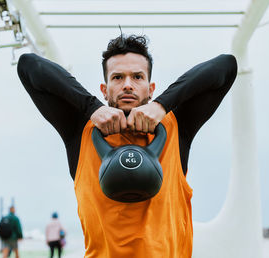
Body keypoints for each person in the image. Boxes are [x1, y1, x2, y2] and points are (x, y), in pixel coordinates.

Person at [17, 34, 237, 257]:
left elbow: (226, 66)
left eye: (138, 77)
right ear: (104, 89)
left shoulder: (176, 127)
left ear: (151, 88)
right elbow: (29, 65)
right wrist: (92, 107)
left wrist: (162, 104)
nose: (128, 85)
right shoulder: (80, 131)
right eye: (118, 77)